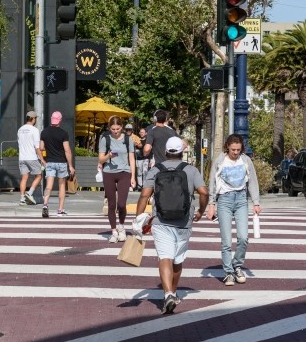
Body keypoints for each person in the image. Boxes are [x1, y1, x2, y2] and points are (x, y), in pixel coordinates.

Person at [136, 136, 208, 314]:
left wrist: (139, 217)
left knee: (164, 257)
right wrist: (200, 210)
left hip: (161, 221)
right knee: (177, 260)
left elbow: (145, 195)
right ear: (182, 152)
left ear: (166, 152)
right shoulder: (191, 170)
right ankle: (172, 292)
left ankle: (168, 293)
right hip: (184, 222)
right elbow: (204, 192)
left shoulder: (156, 170)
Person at [206, 134, 261, 286]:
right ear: (227, 147)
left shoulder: (246, 160)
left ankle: (237, 265)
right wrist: (212, 204)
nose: (235, 152)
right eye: (233, 149)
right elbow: (212, 182)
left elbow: (253, 181)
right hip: (224, 200)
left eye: (238, 149)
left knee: (243, 237)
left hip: (241, 199)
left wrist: (256, 202)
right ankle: (228, 272)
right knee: (227, 241)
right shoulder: (220, 160)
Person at [98, 116, 136, 243]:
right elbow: (100, 159)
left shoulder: (127, 139)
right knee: (111, 204)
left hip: (124, 172)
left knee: (121, 204)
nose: (115, 131)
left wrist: (133, 176)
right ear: (109, 128)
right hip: (108, 172)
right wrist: (109, 155)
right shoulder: (105, 139)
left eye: (118, 128)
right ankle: (113, 231)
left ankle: (121, 226)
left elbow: (131, 158)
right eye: (113, 129)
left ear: (122, 127)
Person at [40, 111, 75, 218]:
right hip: (61, 163)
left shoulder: (44, 132)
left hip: (50, 162)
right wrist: (70, 165)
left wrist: (47, 153)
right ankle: (60, 210)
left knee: (49, 186)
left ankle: (45, 204)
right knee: (61, 186)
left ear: (51, 119)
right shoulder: (63, 133)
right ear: (60, 120)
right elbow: (67, 150)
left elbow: (41, 148)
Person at [17, 110, 46, 206]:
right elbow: (37, 147)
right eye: (36, 118)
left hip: (22, 157)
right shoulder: (34, 130)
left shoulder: (20, 129)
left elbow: (19, 144)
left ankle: (22, 199)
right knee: (39, 176)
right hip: (31, 157)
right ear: (33, 119)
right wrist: (42, 159)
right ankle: (29, 194)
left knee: (24, 178)